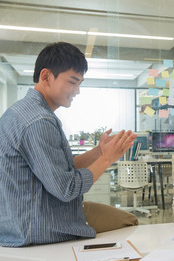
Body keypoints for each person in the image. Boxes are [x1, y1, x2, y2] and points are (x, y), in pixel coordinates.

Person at [0, 42, 138, 247]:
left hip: (23, 218)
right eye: (73, 82)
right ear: (45, 76)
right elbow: (67, 188)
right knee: (130, 222)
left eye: (80, 83)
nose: (77, 91)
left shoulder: (24, 111)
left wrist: (100, 152)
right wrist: (107, 159)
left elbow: (64, 167)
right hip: (39, 227)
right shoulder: (39, 122)